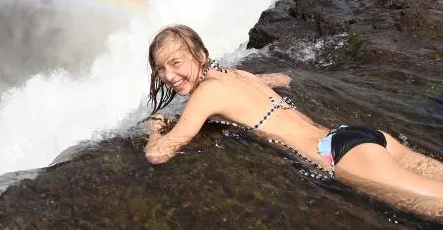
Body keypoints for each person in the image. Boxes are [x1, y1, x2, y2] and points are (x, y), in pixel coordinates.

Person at [144, 24, 443, 221]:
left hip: (338, 155)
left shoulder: (205, 95)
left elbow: (160, 153)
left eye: (176, 63)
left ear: (200, 55)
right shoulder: (235, 75)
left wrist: (154, 130)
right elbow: (278, 79)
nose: (169, 76)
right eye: (161, 68)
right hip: (357, 137)